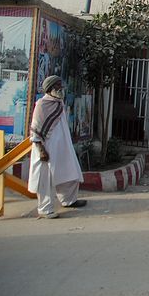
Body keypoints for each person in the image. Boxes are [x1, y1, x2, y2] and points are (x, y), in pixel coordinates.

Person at [28, 75, 87, 218]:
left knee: (71, 172)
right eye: (57, 87)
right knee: (45, 178)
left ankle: (68, 200)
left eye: (61, 86)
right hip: (46, 148)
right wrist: (41, 150)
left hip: (62, 147)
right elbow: (35, 130)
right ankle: (45, 209)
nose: (61, 89)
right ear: (50, 89)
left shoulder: (58, 103)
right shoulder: (42, 105)